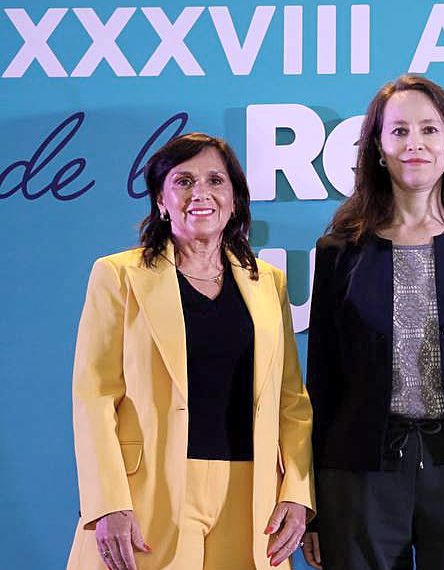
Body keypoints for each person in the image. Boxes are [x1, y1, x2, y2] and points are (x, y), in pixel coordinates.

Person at [302, 74, 444, 570]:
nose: (415, 144)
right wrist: (312, 507)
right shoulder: (339, 252)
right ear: (378, 148)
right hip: (360, 472)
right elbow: (320, 381)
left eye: (429, 129)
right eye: (399, 131)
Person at [67, 133, 315, 570]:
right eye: (183, 181)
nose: (200, 193)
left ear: (234, 199)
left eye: (215, 181)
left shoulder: (268, 282)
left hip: (252, 498)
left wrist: (296, 490)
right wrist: (106, 502)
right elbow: (94, 395)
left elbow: (291, 401)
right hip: (149, 492)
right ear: (161, 202)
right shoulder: (117, 276)